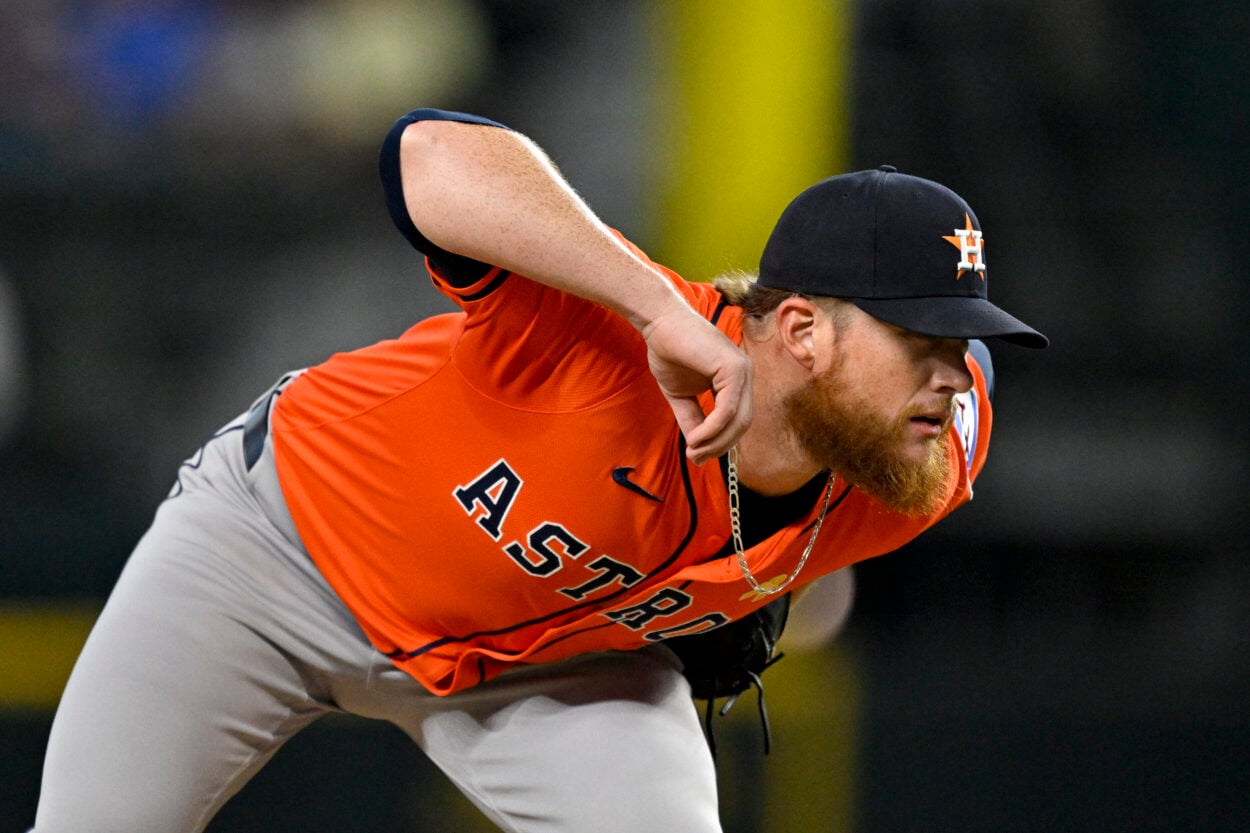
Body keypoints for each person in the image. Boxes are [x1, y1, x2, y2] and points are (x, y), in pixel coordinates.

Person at [31, 108, 1046, 833]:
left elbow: (975, 375)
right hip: (269, 556)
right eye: (919, 339)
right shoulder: (605, 334)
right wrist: (648, 301)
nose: (947, 374)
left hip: (551, 666)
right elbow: (426, 153)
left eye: (960, 343)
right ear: (799, 330)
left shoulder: (932, 446)